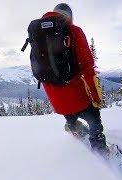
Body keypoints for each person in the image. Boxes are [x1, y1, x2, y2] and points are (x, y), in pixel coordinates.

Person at [41, 3, 108, 155]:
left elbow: (41, 71)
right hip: (76, 96)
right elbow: (88, 68)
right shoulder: (74, 31)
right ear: (70, 17)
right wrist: (96, 98)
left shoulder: (40, 35)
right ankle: (100, 149)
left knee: (70, 114)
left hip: (57, 101)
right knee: (94, 120)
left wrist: (56, 97)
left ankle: (72, 126)